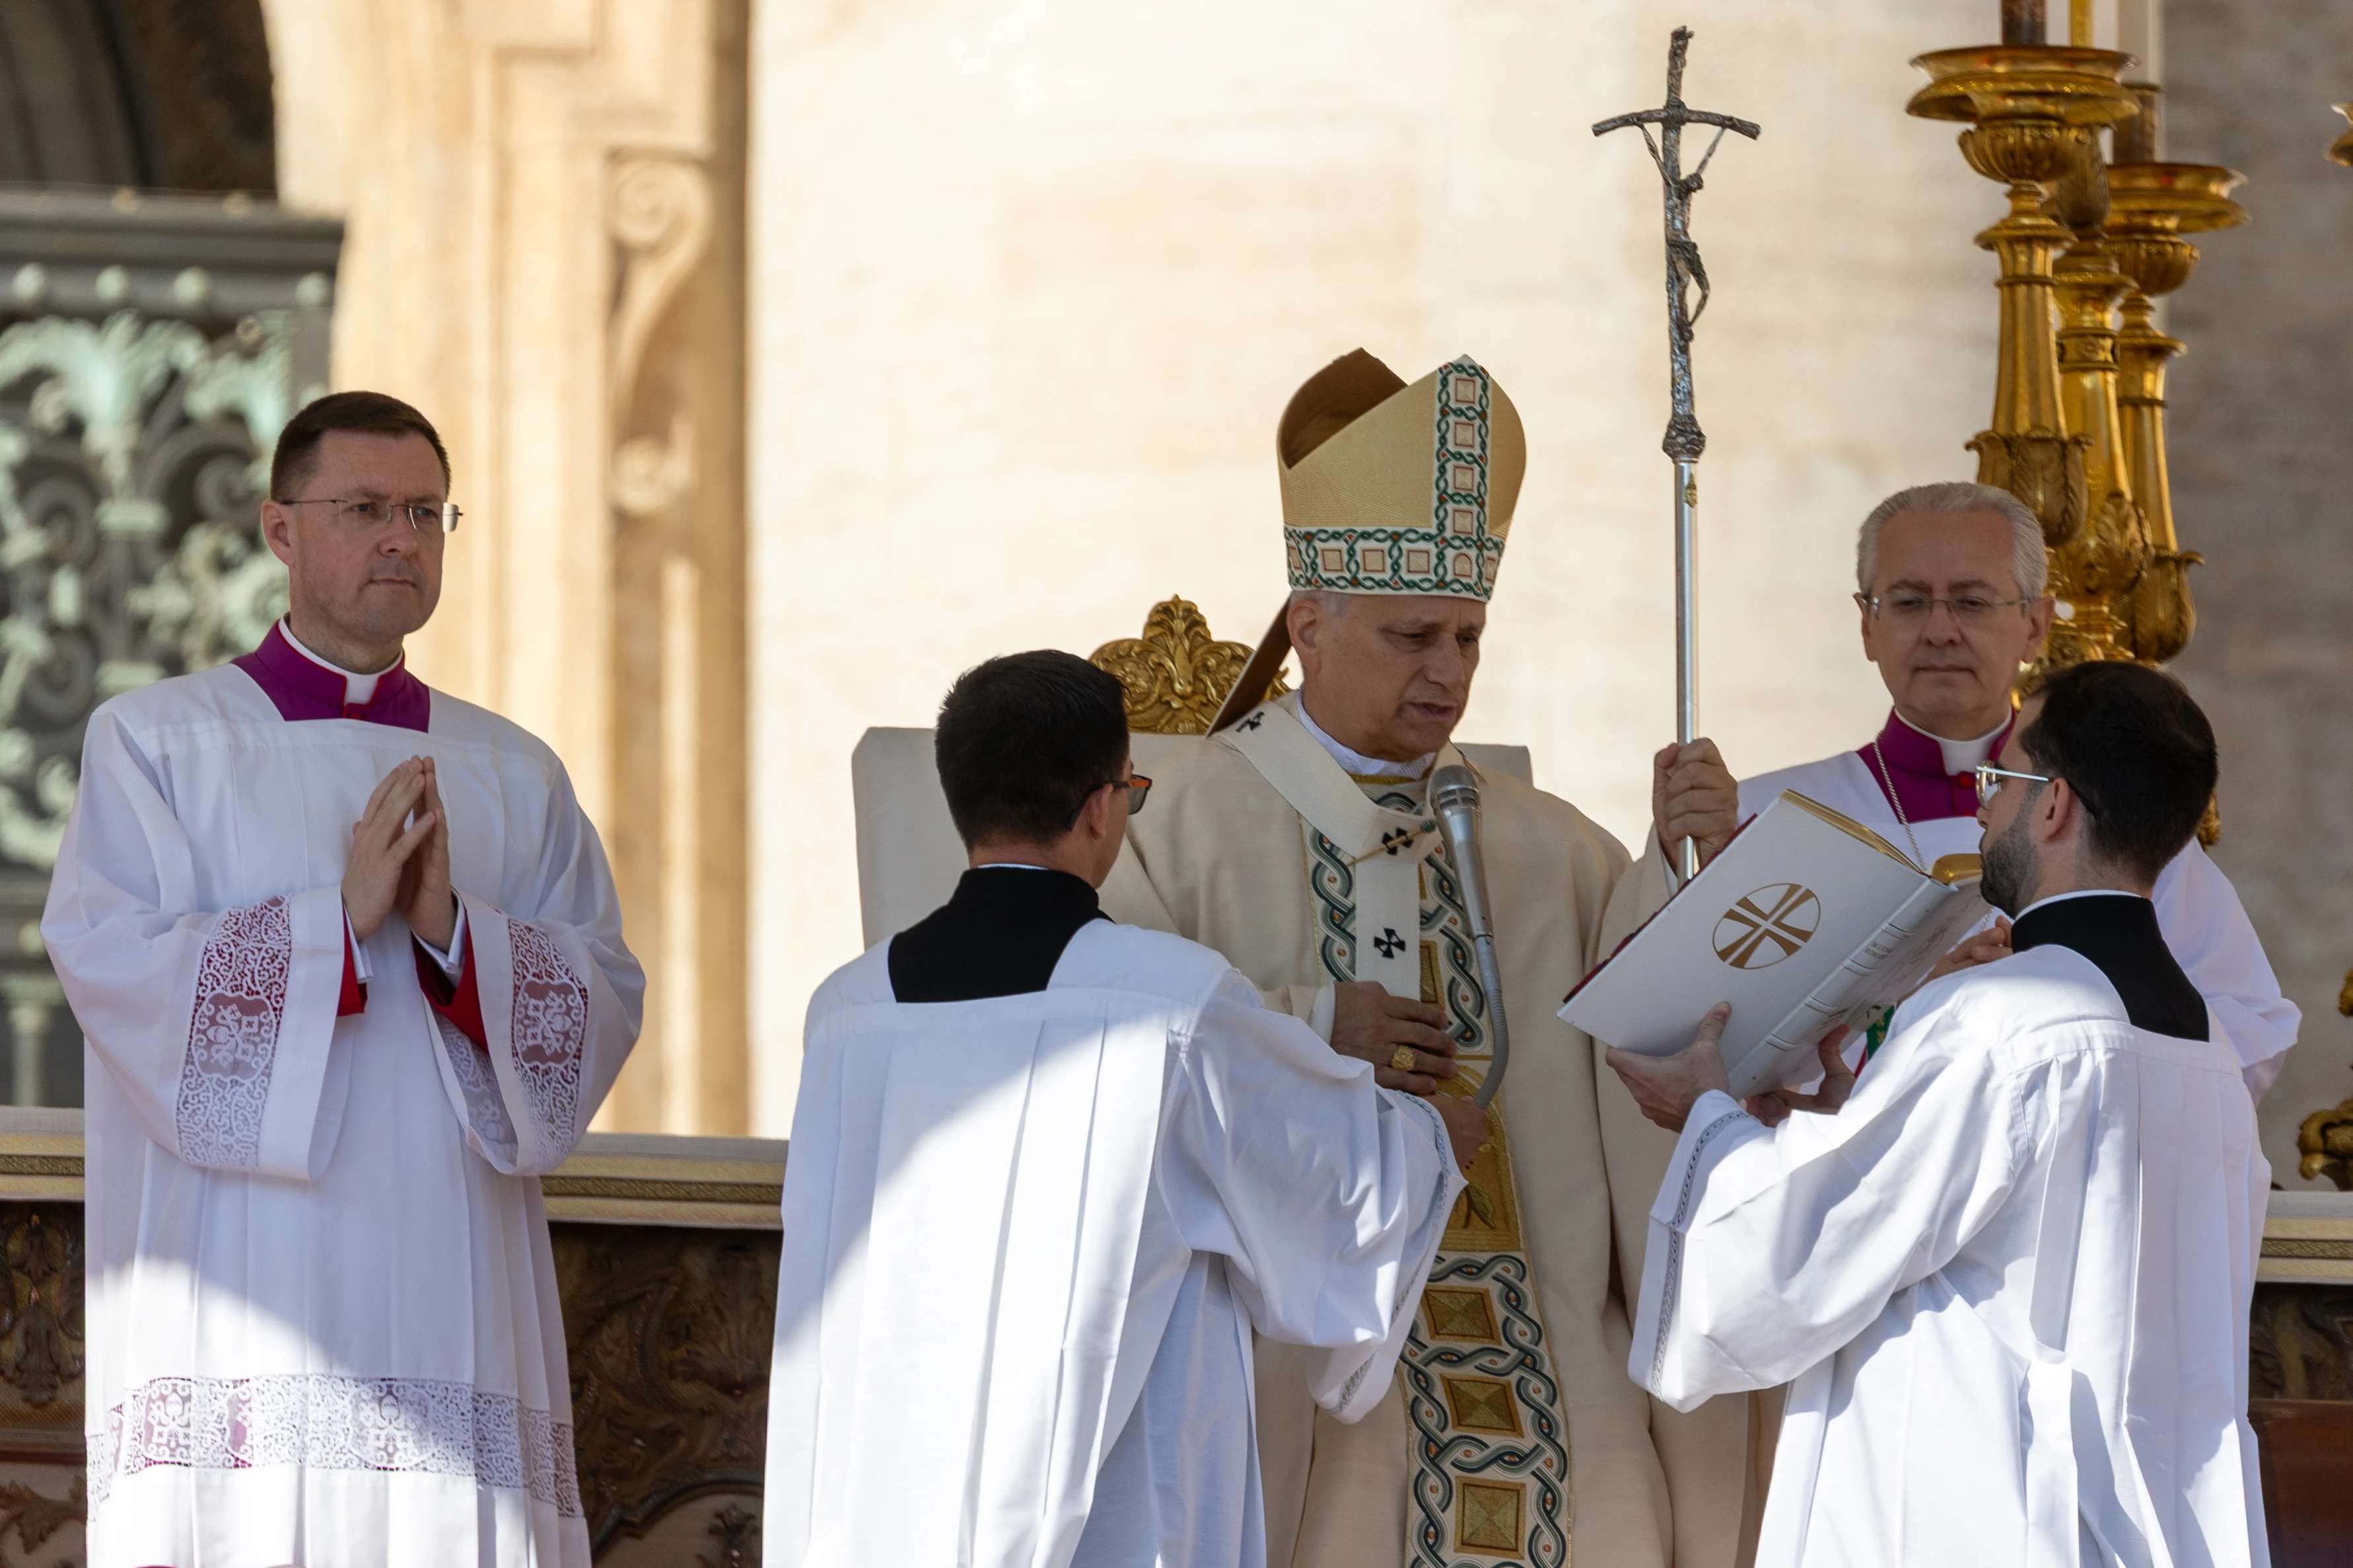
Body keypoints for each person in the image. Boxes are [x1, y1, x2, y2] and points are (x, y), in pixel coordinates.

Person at [1100, 349, 1747, 1568]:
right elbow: (1115, 1063)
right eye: (1411, 636)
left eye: (1466, 636)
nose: (1446, 671)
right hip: (1300, 1358)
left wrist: (1684, 873)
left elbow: (1655, 1066)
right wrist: (1303, 1029)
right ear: (1308, 627)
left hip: (1543, 1346)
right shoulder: (1174, 830)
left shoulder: (1556, 852)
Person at [44, 392, 643, 1567]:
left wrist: (453, 940)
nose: (401, 540)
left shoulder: (514, 773)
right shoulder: (157, 743)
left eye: (425, 512)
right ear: (278, 530)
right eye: (365, 508)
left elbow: (600, 990)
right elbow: (116, 970)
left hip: (448, 1262)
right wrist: (332, 926)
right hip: (241, 1277)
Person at [765, 651, 1477, 1568]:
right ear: (1103, 804)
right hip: (1110, 1491)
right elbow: (1329, 1186)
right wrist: (1429, 1138)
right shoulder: (1167, 1001)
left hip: (885, 1484)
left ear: (961, 802)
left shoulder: (847, 1011)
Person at [1607, 660, 2270, 1568]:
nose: (1981, 811)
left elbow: (1794, 1259)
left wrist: (1708, 1117)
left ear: (2052, 806)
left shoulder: (1999, 1018)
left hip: (1981, 1501)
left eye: (1999, 782)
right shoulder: (2207, 1050)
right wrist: (1839, 1118)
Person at [1737, 480, 2296, 1095]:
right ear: (1866, 626)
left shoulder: (2115, 815)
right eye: (1907, 601)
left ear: (2034, 624)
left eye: (1972, 602)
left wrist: (2053, 1020)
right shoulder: (1765, 816)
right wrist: (1920, 1018)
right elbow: (1725, 1057)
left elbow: (2247, 1034)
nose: (1940, 630)